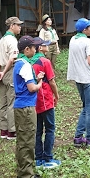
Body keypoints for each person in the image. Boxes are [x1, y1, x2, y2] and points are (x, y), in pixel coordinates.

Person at [13, 35, 45, 178]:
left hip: (20, 106)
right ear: (26, 49)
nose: (36, 49)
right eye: (33, 47)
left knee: (22, 141)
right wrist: (39, 82)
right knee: (27, 141)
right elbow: (32, 88)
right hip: (26, 108)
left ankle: (24, 173)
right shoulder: (25, 64)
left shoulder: (19, 63)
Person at [67, 17, 90, 147]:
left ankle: (78, 136)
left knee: (85, 107)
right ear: (85, 30)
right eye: (89, 27)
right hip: (88, 78)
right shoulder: (87, 41)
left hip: (78, 78)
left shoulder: (73, 39)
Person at [30, 38, 61, 169]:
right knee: (50, 128)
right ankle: (48, 158)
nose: (47, 46)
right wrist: (57, 96)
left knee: (37, 130)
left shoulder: (28, 61)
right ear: (40, 48)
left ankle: (38, 158)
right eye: (44, 45)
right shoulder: (45, 61)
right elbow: (52, 82)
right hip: (45, 99)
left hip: (33, 100)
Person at [0, 16, 23, 139]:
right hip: (9, 70)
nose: (20, 27)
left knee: (3, 101)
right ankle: (12, 130)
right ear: (12, 26)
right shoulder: (12, 40)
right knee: (12, 101)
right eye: (18, 25)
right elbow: (12, 58)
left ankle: (3, 129)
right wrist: (5, 71)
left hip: (1, 70)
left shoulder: (2, 40)